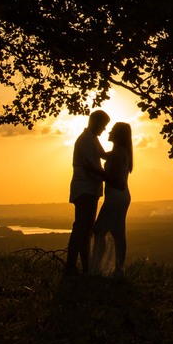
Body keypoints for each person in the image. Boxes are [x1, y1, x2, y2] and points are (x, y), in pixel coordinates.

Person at [64, 110, 110, 275]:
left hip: (90, 189)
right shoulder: (85, 140)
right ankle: (71, 265)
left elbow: (103, 155)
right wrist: (110, 178)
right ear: (95, 122)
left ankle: (85, 267)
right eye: (103, 125)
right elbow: (91, 167)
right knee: (81, 228)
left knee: (86, 229)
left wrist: (120, 151)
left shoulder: (92, 138)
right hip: (85, 189)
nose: (104, 129)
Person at [91, 121, 133, 278]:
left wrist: (95, 171)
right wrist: (93, 136)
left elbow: (115, 180)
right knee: (117, 232)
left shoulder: (118, 153)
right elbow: (103, 155)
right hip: (120, 197)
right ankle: (118, 269)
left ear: (118, 135)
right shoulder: (121, 151)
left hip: (116, 196)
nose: (108, 133)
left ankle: (98, 267)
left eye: (112, 131)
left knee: (100, 230)